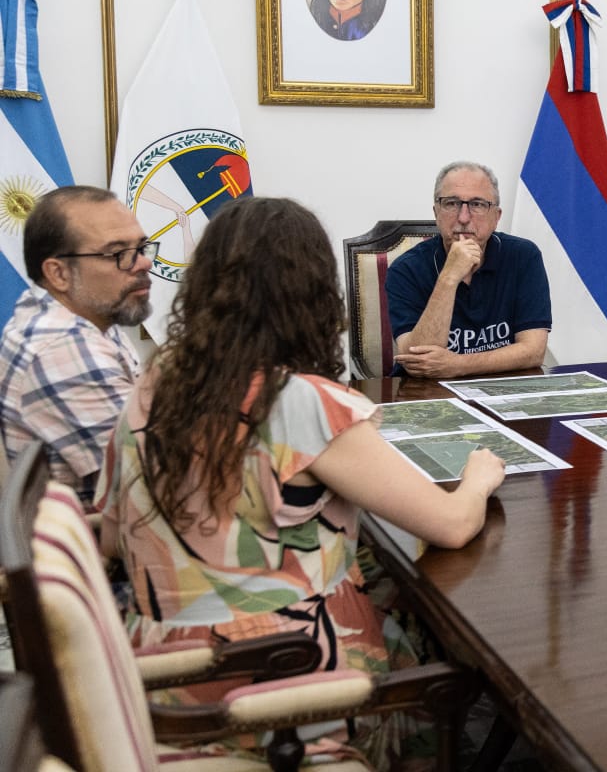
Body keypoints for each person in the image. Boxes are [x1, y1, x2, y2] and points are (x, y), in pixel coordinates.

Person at [97, 196, 506, 765]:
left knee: (398, 590)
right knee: (450, 655)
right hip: (274, 673)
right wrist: (480, 476)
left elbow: (112, 537)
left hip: (156, 668)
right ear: (315, 292)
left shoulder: (153, 382)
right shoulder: (301, 402)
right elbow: (453, 524)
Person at [0, 186, 153, 504]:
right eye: (119, 254)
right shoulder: (63, 349)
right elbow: (161, 476)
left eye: (142, 247)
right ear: (57, 274)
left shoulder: (87, 314)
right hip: (101, 545)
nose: (143, 264)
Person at [386, 161, 551, 378]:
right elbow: (418, 363)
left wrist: (458, 365)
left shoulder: (523, 256)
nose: (463, 218)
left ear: (496, 217)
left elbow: (533, 351)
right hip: (426, 395)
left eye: (478, 204)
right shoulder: (405, 269)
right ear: (436, 212)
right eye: (452, 203)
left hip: (502, 390)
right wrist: (449, 277)